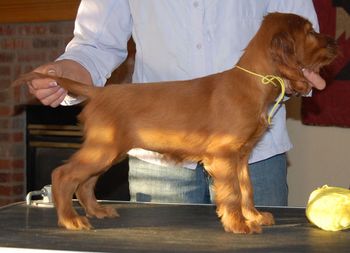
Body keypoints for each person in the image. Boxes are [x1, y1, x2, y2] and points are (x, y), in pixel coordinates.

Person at [27, 0, 326, 206]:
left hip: (255, 156)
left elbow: (300, 34)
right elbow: (96, 43)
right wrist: (71, 69)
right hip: (159, 157)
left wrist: (302, 71)